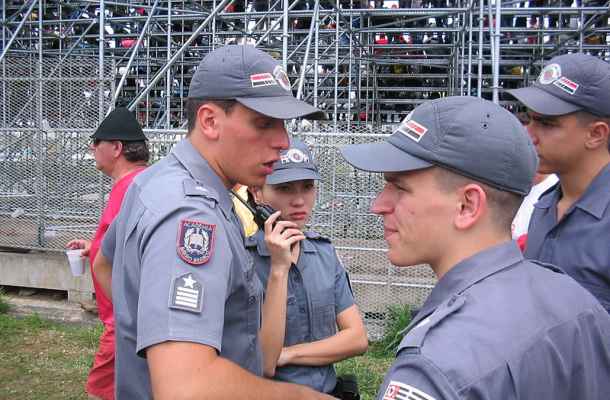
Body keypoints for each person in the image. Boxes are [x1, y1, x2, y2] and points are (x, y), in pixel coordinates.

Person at [95, 45, 333, 400]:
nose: (283, 142)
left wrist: (152, 324)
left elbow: (104, 264)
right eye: (264, 123)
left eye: (283, 125)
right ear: (209, 121)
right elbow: (185, 388)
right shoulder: (190, 214)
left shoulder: (158, 181)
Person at [339, 96, 610, 400]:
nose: (378, 205)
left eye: (400, 187)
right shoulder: (575, 299)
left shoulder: (437, 363)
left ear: (468, 205)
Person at [246, 138, 368, 398]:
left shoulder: (323, 254)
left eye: (308, 187)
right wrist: (279, 269)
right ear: (258, 193)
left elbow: (357, 338)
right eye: (285, 188)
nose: (299, 200)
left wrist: (290, 354)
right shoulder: (244, 260)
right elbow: (266, 363)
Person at [508, 53, 610, 313]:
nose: (529, 135)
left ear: (596, 134)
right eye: (530, 119)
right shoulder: (543, 206)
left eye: (546, 123)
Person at [66, 107, 149, 400]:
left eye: (97, 141)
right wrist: (95, 248)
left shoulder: (133, 188)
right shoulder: (135, 185)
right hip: (125, 318)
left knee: (100, 393)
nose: (91, 147)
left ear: (116, 148)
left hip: (124, 322)